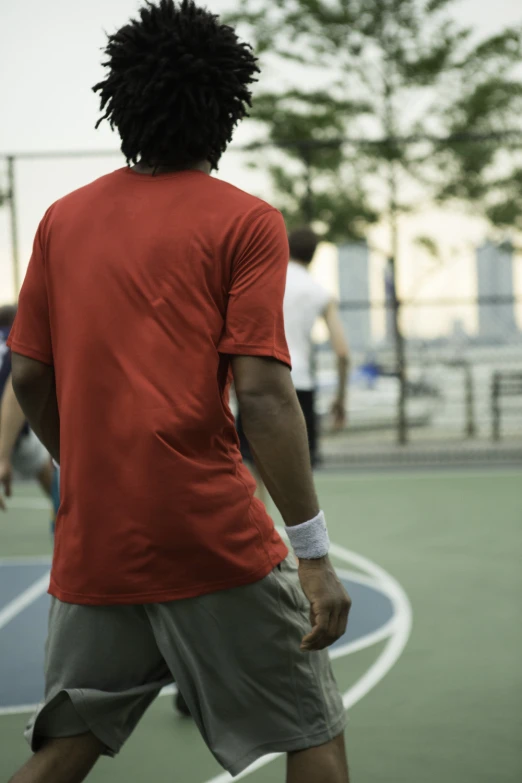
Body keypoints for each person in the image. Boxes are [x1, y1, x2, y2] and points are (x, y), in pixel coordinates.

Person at [7, 2, 351, 782]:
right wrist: (315, 555)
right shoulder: (247, 222)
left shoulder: (62, 220)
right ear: (227, 106)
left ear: (120, 102)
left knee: (65, 749)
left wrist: (86, 470)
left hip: (98, 540)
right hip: (209, 533)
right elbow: (262, 394)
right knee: (313, 734)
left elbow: (29, 372)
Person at [237, 227, 351, 499]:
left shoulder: (263, 281)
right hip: (299, 386)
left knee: (252, 477)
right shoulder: (320, 293)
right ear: (313, 255)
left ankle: (261, 538)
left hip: (258, 380)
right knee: (294, 484)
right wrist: (340, 400)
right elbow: (343, 353)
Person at [0, 305, 55, 515]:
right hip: (15, 426)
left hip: (16, 428)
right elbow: (20, 381)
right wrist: (2, 456)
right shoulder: (20, 339)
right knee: (63, 492)